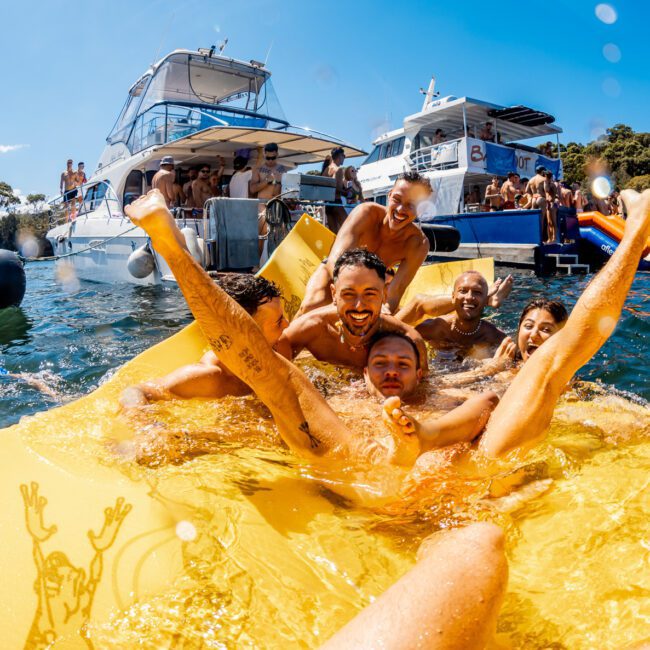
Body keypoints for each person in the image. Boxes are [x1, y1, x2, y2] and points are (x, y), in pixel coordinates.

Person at [124, 186, 650, 469]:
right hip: (369, 455)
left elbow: (434, 332)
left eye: (370, 297)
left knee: (495, 398)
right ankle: (171, 244)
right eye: (382, 363)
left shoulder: (413, 349)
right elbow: (253, 357)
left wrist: (482, 370)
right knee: (269, 375)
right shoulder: (315, 341)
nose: (392, 369)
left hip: (400, 452)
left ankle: (422, 439)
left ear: (421, 367)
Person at [120, 274, 288, 408]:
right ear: (244, 333)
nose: (287, 325)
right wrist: (143, 422)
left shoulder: (279, 347)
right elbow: (135, 391)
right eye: (278, 321)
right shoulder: (210, 377)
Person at [297, 172, 431, 316]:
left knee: (377, 319)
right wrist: (346, 295)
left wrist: (384, 312)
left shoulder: (418, 244)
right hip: (336, 272)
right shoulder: (366, 213)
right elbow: (335, 261)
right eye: (397, 199)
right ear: (389, 195)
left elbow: (395, 291)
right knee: (310, 308)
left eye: (410, 205)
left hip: (373, 286)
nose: (400, 210)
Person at [276, 249, 429, 372]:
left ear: (384, 296)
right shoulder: (312, 328)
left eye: (370, 294)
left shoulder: (409, 340)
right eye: (349, 294)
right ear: (334, 294)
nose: (359, 306)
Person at [410, 271, 507, 358]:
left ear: (486, 300)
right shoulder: (433, 328)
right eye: (463, 291)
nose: (469, 297)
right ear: (453, 297)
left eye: (477, 292)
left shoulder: (494, 336)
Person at [250, 143, 288, 250]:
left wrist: (279, 183)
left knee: (281, 235)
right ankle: (257, 265)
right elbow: (252, 189)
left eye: (273, 158)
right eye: (268, 158)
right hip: (262, 204)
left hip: (277, 204)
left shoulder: (282, 170)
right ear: (264, 154)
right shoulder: (258, 169)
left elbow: (283, 191)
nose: (270, 160)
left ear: (277, 154)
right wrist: (267, 181)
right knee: (263, 231)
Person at [322, 146, 348, 233]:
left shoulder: (326, 169)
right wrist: (347, 192)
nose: (344, 158)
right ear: (339, 156)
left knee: (333, 233)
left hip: (327, 204)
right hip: (336, 202)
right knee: (347, 228)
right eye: (343, 156)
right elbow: (337, 189)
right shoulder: (339, 169)